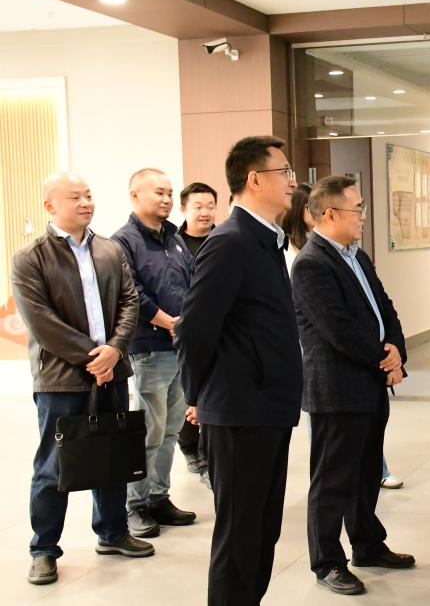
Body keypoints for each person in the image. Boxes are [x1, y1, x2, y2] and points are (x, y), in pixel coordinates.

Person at [175, 135, 303, 606]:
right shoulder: (230, 242)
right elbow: (194, 329)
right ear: (254, 179)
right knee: (239, 537)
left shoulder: (265, 240)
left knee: (262, 531)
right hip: (239, 412)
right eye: (284, 172)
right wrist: (199, 396)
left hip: (266, 407)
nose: (292, 182)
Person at [13, 173, 154, 586]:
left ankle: (112, 533)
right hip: (61, 377)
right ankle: (43, 549)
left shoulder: (109, 249)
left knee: (112, 454)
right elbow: (40, 321)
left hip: (112, 372)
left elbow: (129, 301)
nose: (85, 202)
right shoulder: (31, 257)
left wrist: (115, 349)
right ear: (50, 206)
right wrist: (94, 357)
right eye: (75, 197)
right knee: (53, 465)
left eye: (88, 195)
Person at [292, 176, 416, 596]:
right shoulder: (310, 264)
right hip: (337, 389)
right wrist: (384, 359)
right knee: (333, 479)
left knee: (365, 473)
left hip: (369, 382)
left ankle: (367, 544)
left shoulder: (357, 255)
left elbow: (384, 306)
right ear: (330, 214)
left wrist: (397, 348)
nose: (363, 215)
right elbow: (337, 329)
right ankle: (327, 562)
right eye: (357, 208)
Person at [112, 169, 197, 538]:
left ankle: (159, 497)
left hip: (181, 347)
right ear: (135, 195)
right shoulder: (124, 241)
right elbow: (131, 292)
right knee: (150, 429)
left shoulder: (174, 238)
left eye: (170, 193)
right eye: (158, 192)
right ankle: (136, 505)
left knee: (172, 429)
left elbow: (192, 283)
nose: (166, 199)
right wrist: (168, 322)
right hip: (150, 348)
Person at [175, 181, 217, 483]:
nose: (205, 212)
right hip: (180, 332)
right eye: (198, 206)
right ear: (184, 209)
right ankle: (189, 445)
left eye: (210, 206)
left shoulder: (224, 241)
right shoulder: (173, 244)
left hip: (217, 334)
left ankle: (206, 456)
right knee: (184, 394)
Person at [280, 181, 313, 272]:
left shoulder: (312, 238)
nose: (317, 211)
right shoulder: (287, 246)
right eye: (311, 206)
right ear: (298, 208)